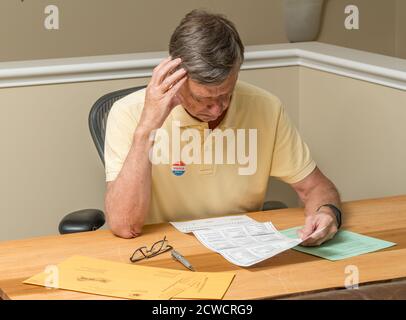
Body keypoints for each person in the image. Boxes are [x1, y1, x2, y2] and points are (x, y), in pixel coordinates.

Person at [104, 9, 342, 246]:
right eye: (202, 99)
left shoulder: (266, 107)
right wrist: (147, 128)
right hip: (163, 250)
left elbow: (316, 187)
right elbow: (125, 225)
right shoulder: (128, 113)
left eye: (226, 94)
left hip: (242, 250)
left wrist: (326, 213)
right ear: (174, 77)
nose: (217, 109)